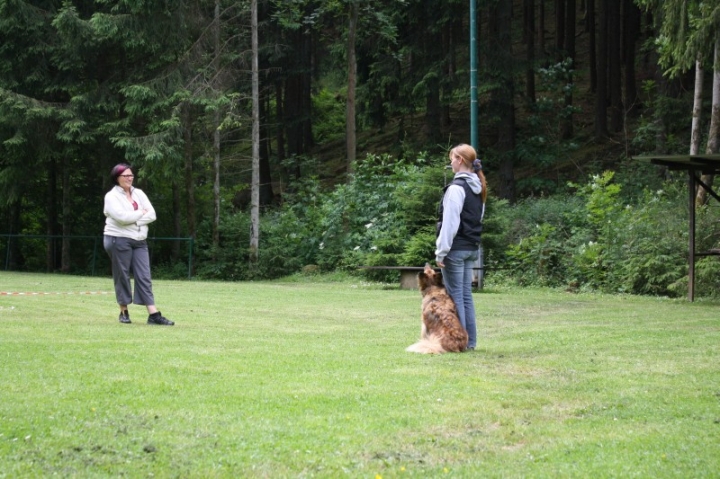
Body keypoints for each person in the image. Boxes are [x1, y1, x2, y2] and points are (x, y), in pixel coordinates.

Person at [103, 163, 174, 326]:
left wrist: (133, 219)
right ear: (117, 178)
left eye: (131, 175)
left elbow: (152, 214)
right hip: (117, 238)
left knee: (144, 276)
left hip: (139, 240)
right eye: (125, 176)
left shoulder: (139, 193)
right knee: (122, 275)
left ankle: (154, 315)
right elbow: (121, 218)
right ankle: (123, 311)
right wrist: (140, 214)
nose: (129, 178)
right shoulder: (111, 196)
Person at [435, 144, 487, 350]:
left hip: (455, 249)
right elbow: (478, 219)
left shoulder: (456, 188)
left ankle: (459, 343)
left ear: (460, 161)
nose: (450, 162)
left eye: (452, 158)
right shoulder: (478, 187)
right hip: (471, 247)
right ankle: (470, 343)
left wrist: (441, 250)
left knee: (455, 296)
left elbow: (450, 224)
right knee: (465, 295)